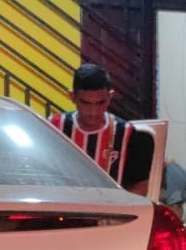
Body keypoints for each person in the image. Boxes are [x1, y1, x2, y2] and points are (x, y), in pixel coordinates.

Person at [46, 63, 154, 195]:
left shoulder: (127, 134)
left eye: (101, 103)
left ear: (110, 97)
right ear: (72, 97)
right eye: (85, 103)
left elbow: (142, 185)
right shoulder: (53, 128)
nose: (93, 111)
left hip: (111, 206)